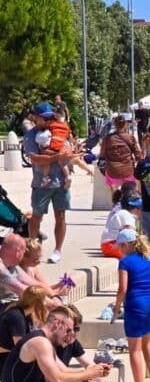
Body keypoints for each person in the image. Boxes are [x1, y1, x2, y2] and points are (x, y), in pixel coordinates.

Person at [111, 229, 150, 382]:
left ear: (125, 245)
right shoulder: (149, 259)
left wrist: (117, 308)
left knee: (134, 350)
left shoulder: (124, 262)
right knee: (147, 344)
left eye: (119, 247)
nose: (118, 250)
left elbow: (122, 288)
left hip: (135, 305)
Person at [25, 103, 72, 263]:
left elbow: (68, 151)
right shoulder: (31, 136)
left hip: (60, 183)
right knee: (36, 217)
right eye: (45, 117)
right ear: (35, 117)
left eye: (50, 117)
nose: (48, 120)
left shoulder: (58, 130)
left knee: (61, 215)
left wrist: (65, 156)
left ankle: (57, 250)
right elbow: (35, 158)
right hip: (41, 183)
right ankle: (32, 248)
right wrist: (55, 157)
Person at [0, 286, 50, 377]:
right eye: (44, 300)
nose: (46, 303)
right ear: (37, 303)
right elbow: (21, 348)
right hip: (4, 362)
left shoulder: (26, 315)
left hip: (9, 357)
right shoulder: (17, 317)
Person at [98, 114, 142, 195]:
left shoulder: (108, 139)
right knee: (131, 193)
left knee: (114, 191)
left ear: (114, 124)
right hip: (128, 170)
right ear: (125, 124)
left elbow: (102, 155)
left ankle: (116, 201)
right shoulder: (130, 137)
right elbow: (138, 155)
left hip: (112, 171)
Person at [100, 188, 142, 258]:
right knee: (140, 255)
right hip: (111, 244)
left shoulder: (126, 214)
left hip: (112, 244)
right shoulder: (125, 214)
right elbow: (129, 235)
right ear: (136, 208)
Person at [0, 235, 33, 311]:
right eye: (23, 252)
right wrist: (49, 302)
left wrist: (54, 295)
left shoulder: (11, 264)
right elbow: (18, 288)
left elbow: (33, 283)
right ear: (18, 253)